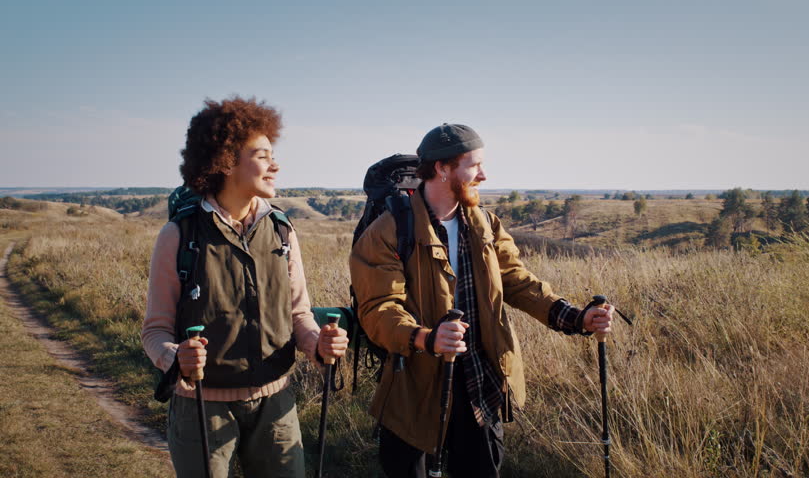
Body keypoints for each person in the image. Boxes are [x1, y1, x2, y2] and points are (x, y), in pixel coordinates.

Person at [349, 123, 614, 477]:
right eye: (474, 166)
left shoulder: (485, 224)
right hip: (413, 385)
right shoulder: (389, 230)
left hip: (479, 381)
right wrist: (426, 337)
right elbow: (378, 309)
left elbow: (518, 282)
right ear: (442, 169)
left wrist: (576, 318)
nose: (484, 175)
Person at [142, 96, 348, 477]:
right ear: (225, 160)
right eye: (262, 154)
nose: (275, 164)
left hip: (275, 405)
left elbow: (298, 314)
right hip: (200, 407)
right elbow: (155, 330)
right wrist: (175, 359)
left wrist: (318, 343)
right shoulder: (178, 235)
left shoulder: (282, 230)